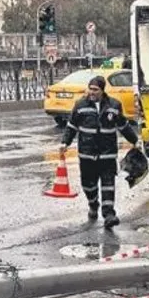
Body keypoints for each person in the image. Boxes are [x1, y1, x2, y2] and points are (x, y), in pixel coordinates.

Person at [59, 74, 139, 228]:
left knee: (108, 184)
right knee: (88, 185)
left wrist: (134, 140)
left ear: (102, 90)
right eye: (90, 89)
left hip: (107, 154)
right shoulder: (80, 105)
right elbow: (72, 127)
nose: (91, 92)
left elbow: (123, 126)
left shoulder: (114, 106)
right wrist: (65, 142)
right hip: (87, 154)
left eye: (95, 90)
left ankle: (109, 214)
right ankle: (93, 203)